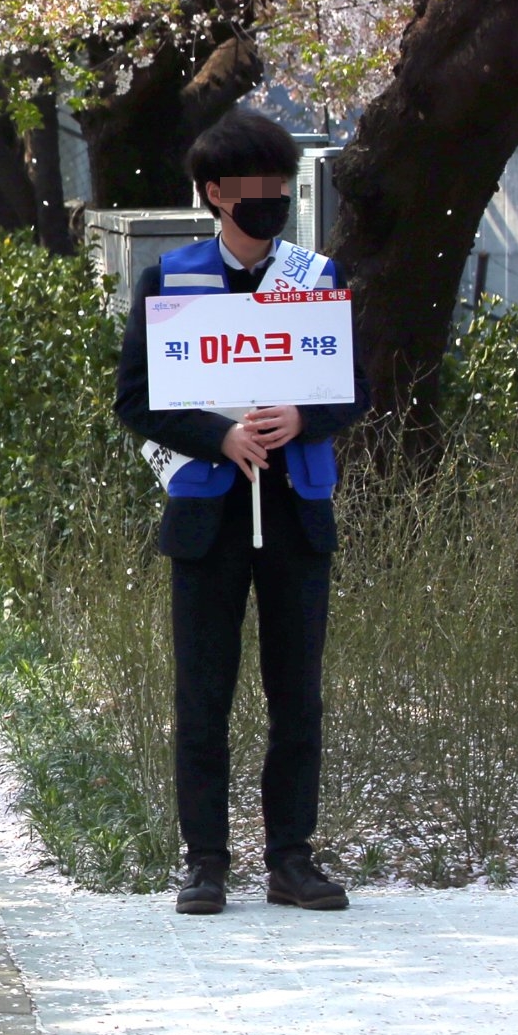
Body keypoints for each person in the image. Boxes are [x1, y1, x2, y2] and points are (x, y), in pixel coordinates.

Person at [113, 109, 368, 917]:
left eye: (280, 185)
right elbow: (135, 400)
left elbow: (353, 387)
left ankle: (291, 857)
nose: (273, 200)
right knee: (202, 695)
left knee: (297, 694)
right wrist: (219, 436)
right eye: (256, 186)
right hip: (206, 517)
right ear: (215, 192)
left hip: (296, 512)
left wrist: (302, 415)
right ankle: (205, 861)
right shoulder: (171, 279)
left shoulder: (313, 276)